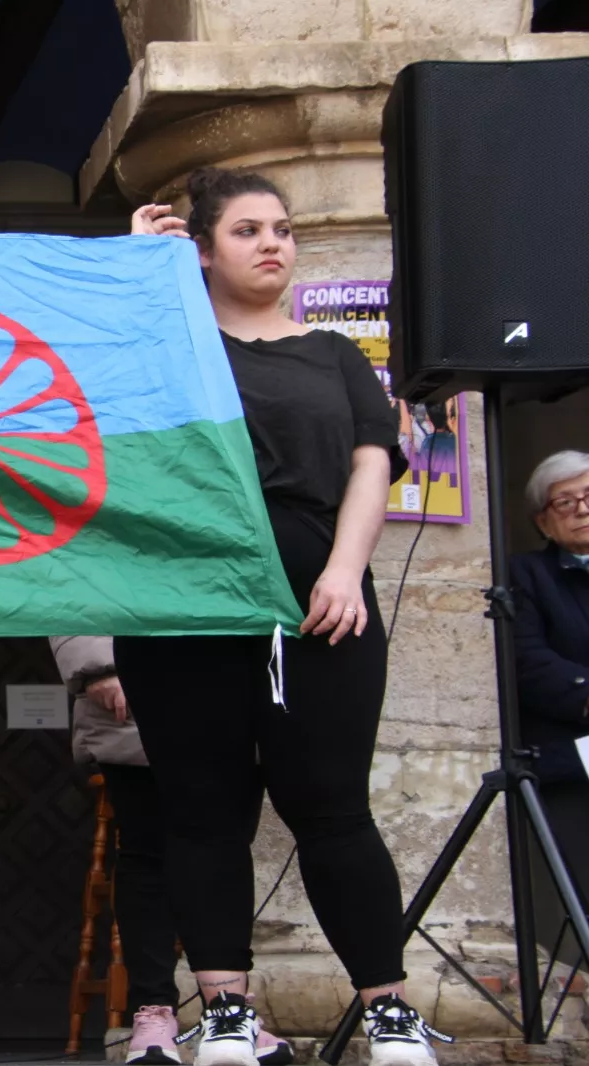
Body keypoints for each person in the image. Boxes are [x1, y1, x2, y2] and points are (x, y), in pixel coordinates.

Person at [116, 170, 446, 1066]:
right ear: (202, 250)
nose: (273, 243)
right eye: (247, 230)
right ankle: (225, 1009)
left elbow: (371, 464)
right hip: (185, 601)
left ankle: (388, 1011)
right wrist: (142, 274)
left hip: (319, 602)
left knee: (333, 806)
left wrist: (344, 571)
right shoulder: (170, 342)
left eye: (284, 229)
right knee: (201, 810)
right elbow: (96, 382)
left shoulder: (335, 353)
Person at [51, 637, 287, 1065]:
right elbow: (66, 591)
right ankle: (153, 1010)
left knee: (224, 851)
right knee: (147, 851)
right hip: (135, 678)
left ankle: (229, 1013)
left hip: (230, 686)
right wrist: (97, 665)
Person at [512, 451, 589, 907]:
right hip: (572, 760)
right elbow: (527, 660)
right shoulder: (527, 575)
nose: (582, 509)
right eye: (565, 502)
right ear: (543, 522)